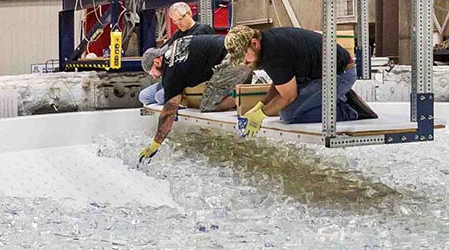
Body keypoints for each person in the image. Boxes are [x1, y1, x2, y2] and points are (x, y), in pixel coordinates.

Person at [222, 25, 365, 137]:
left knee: (289, 115)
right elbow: (280, 81)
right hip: (317, 75)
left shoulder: (273, 53)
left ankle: (348, 110)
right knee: (282, 108)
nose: (245, 62)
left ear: (254, 43)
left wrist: (261, 114)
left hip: (340, 75)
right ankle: (332, 98)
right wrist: (261, 105)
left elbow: (289, 96)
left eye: (244, 56)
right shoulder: (267, 44)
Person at [137, 33, 252, 164]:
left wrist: (155, 144)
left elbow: (169, 112)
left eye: (152, 72)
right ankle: (246, 86)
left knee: (208, 105)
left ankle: (246, 98)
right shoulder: (174, 46)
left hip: (234, 59)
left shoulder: (171, 71)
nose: (154, 77)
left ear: (157, 61)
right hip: (241, 47)